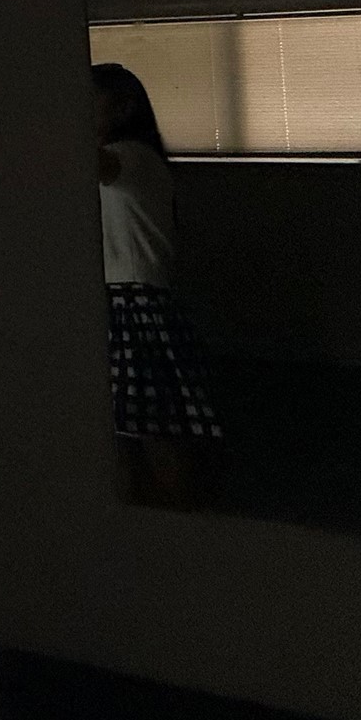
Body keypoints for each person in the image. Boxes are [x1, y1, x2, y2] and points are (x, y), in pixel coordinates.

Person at [93, 62, 222, 507]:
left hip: (134, 306)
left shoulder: (132, 156)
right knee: (133, 429)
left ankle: (179, 520)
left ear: (123, 107)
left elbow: (92, 162)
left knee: (152, 428)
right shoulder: (133, 158)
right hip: (128, 303)